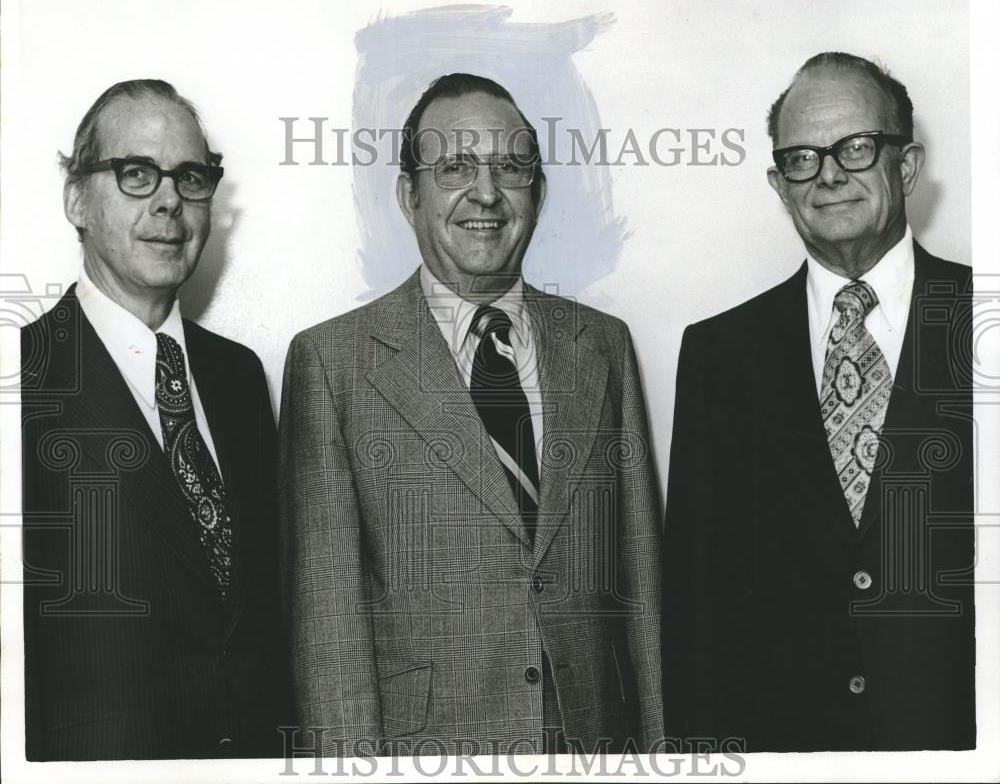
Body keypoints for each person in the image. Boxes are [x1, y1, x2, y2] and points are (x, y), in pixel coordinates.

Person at [279, 73, 662, 756]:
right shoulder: (333, 364)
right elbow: (327, 628)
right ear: (408, 194)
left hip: (596, 747)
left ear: (538, 193)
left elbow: (641, 591)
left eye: (511, 167)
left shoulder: (602, 345)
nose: (486, 193)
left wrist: (661, 750)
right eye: (455, 166)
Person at [662, 52, 975, 752]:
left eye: (856, 147)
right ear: (779, 184)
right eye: (802, 157)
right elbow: (697, 610)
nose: (828, 173)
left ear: (907, 165)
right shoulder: (719, 354)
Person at [20, 80, 290, 760]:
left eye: (190, 176)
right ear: (76, 198)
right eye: (137, 173)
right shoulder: (22, 379)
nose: (169, 199)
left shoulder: (238, 377)